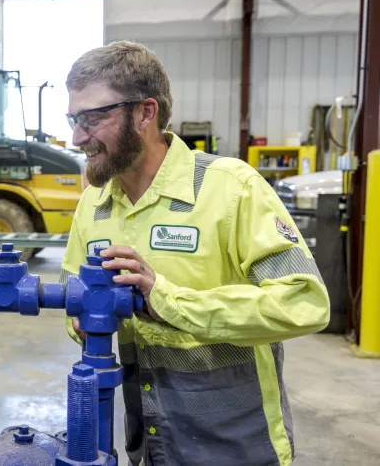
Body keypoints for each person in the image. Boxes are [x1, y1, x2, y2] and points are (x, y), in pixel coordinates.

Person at [61, 41, 329, 466]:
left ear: (146, 112)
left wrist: (168, 301)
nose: (78, 137)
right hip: (149, 445)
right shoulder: (93, 206)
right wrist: (79, 313)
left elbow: (304, 303)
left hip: (237, 443)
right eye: (74, 119)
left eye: (93, 118)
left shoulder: (231, 188)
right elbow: (72, 293)